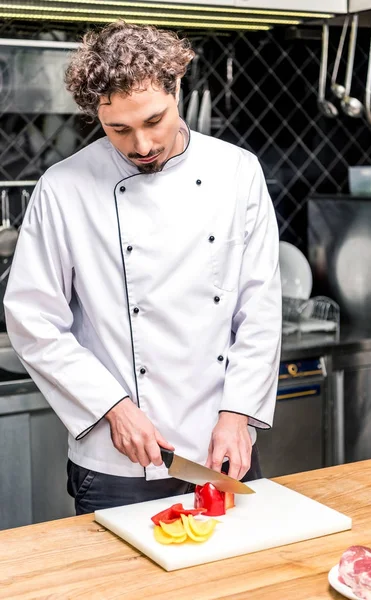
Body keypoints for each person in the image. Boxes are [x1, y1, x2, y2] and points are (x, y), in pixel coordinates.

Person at [4, 21, 282, 515]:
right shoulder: (63, 188)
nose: (142, 145)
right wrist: (113, 407)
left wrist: (237, 412)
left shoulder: (237, 172)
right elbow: (33, 320)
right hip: (119, 458)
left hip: (224, 448)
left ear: (178, 89)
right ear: (97, 117)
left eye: (155, 120)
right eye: (119, 129)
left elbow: (257, 307)